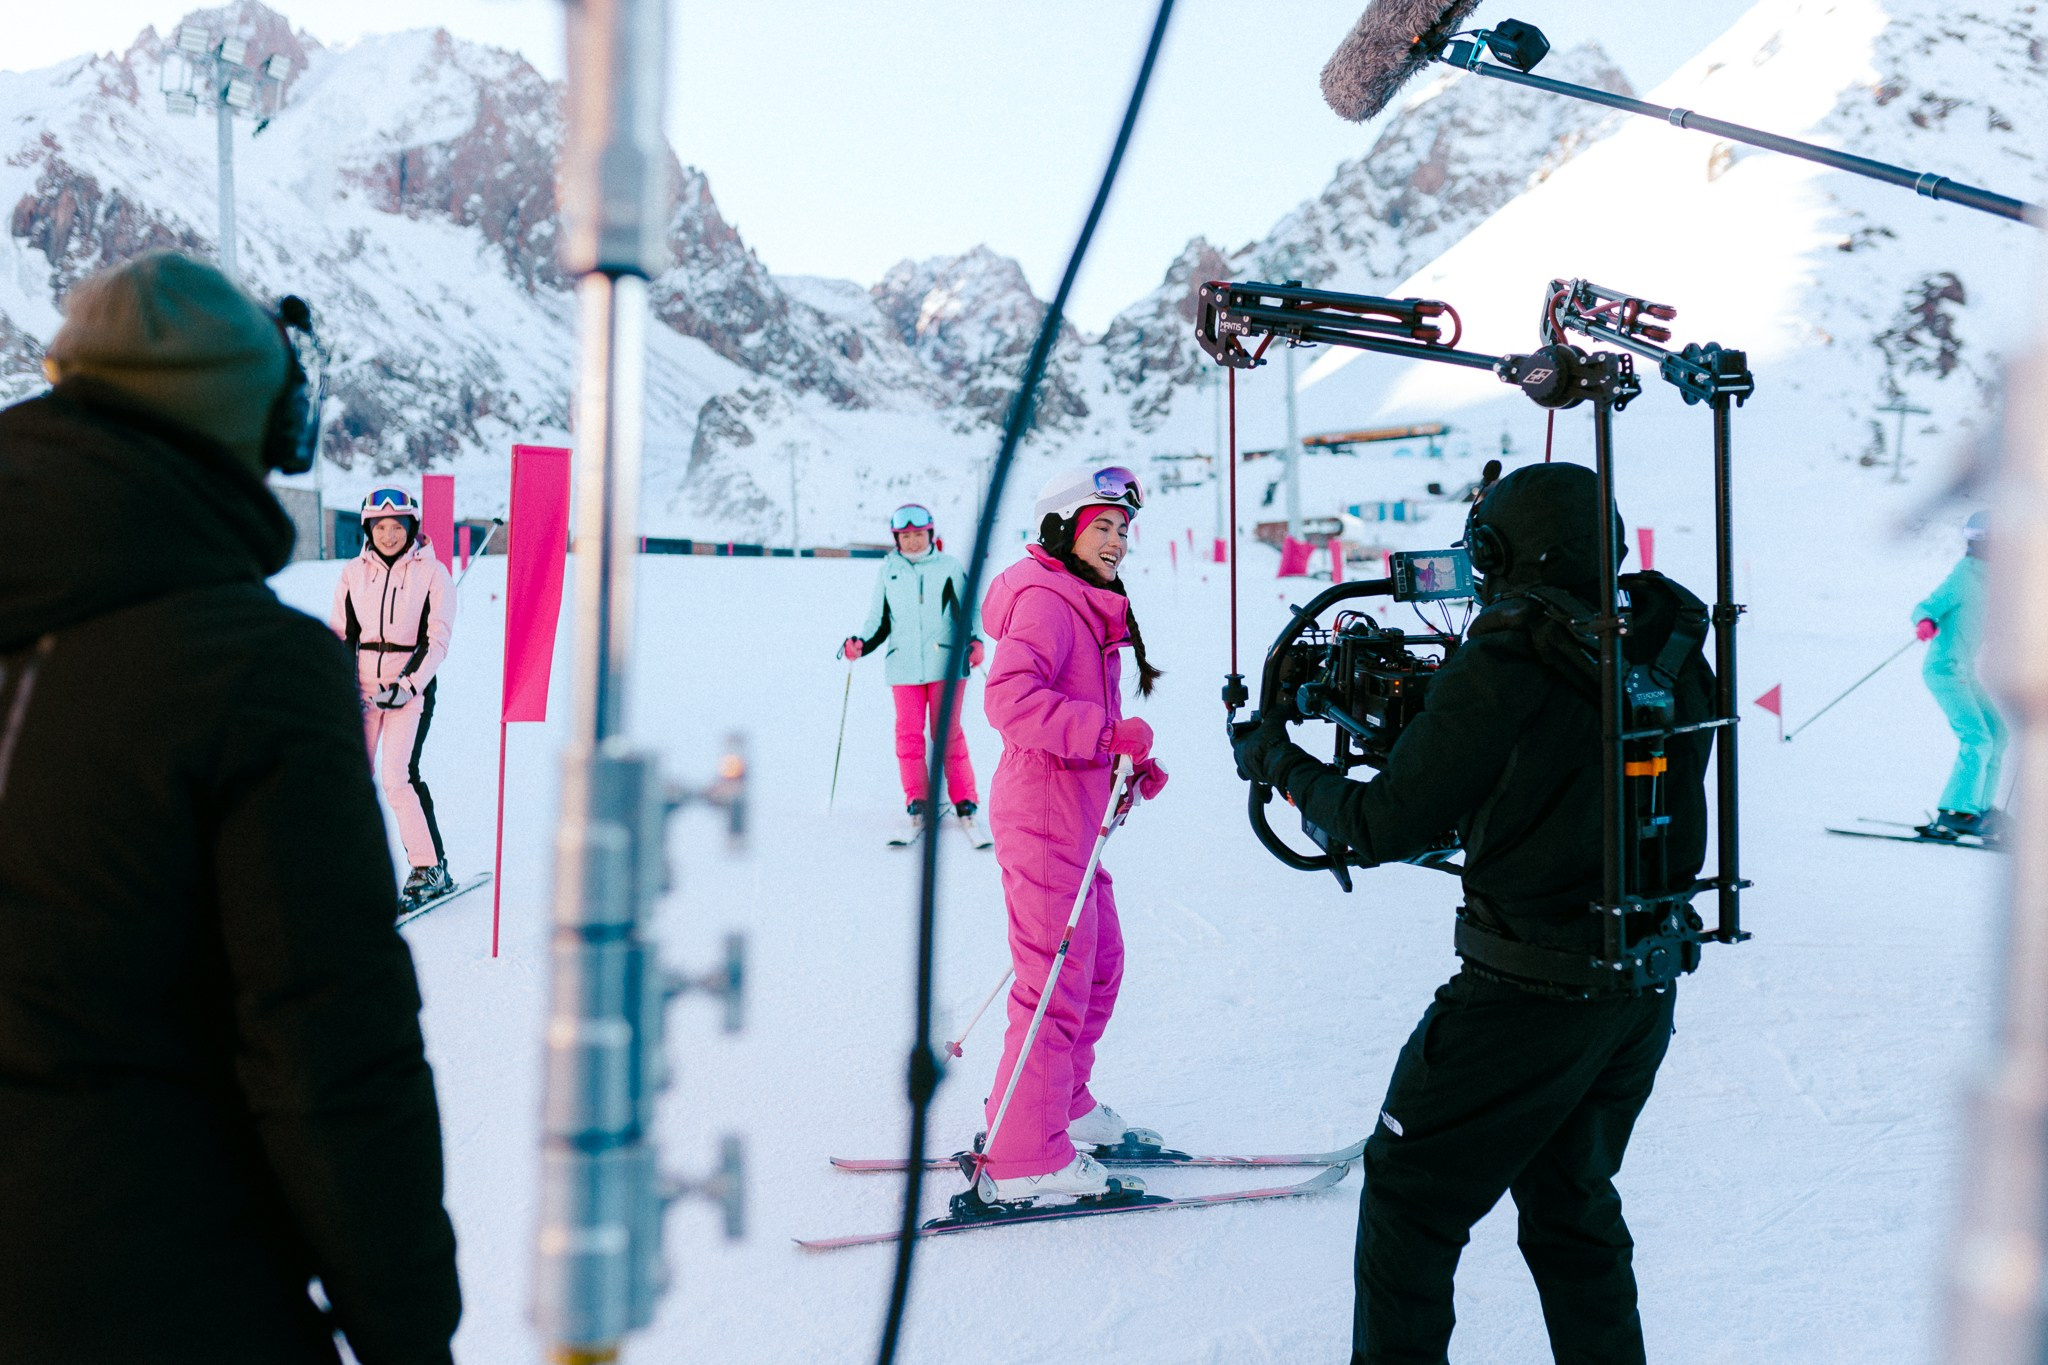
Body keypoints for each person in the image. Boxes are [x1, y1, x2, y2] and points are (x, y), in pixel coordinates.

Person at [0, 250, 460, 1363]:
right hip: (153, 1287)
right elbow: (330, 1052)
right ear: (265, 425)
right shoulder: (253, 673)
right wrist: (407, 1331)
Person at [1234, 462, 1712, 1365]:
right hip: (1639, 983)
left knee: (1410, 1200)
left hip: (1525, 993)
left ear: (1497, 551)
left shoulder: (1511, 656)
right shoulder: (1666, 643)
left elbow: (1379, 823)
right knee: (1573, 1204)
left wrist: (1281, 765)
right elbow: (1563, 782)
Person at [972, 465, 1170, 1207]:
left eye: (1123, 529)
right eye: (1103, 527)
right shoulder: (1049, 601)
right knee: (1053, 982)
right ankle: (1025, 1156)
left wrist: (1127, 762)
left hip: (1073, 814)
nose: (1118, 541)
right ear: (1065, 529)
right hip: (1044, 812)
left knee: (1098, 964)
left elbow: (1080, 718)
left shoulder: (1083, 603)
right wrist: (1105, 733)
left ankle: (1064, 1106)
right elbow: (1011, 700)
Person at [331, 486, 458, 905]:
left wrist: (406, 686)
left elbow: (436, 640)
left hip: (411, 689)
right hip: (363, 688)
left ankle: (429, 866)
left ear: (411, 527)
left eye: (397, 526)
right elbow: (343, 634)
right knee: (349, 778)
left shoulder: (433, 573)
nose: (388, 535)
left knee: (397, 778)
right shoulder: (353, 572)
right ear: (368, 528)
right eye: (380, 527)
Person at [842, 502, 989, 845]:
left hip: (947, 665)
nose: (911, 541)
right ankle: (917, 800)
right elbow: (878, 619)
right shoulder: (888, 570)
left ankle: (965, 801)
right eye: (905, 536)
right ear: (896, 538)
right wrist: (861, 643)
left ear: (930, 534)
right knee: (908, 737)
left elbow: (968, 610)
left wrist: (976, 640)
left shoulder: (949, 567)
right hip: (903, 667)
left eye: (918, 534)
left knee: (947, 734)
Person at [1912, 510, 2004, 840]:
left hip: (1963, 671)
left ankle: (1979, 808)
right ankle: (1956, 812)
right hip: (1944, 671)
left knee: (1998, 733)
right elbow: (1927, 606)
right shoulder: (1965, 576)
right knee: (1977, 738)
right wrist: (1925, 621)